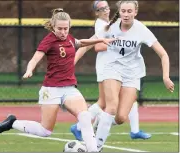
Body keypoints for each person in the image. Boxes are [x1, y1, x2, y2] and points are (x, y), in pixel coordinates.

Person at [0, 8, 116, 152]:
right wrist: (29, 69)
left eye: (66, 28)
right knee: (45, 131)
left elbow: (80, 42)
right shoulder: (49, 40)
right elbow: (36, 57)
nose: (63, 32)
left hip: (69, 88)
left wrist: (101, 39)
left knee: (85, 116)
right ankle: (12, 123)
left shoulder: (69, 38)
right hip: (51, 90)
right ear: (53, 26)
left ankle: (93, 150)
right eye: (60, 29)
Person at [72, 0, 175, 151]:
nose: (126, 14)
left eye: (129, 11)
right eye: (123, 11)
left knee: (120, 118)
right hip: (111, 68)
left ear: (135, 13)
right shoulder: (109, 26)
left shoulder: (141, 30)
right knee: (111, 106)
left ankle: (101, 121)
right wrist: (71, 64)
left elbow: (163, 54)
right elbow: (87, 45)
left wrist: (165, 77)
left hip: (132, 73)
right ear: (119, 12)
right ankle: (96, 148)